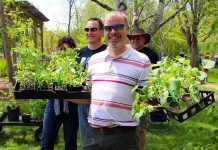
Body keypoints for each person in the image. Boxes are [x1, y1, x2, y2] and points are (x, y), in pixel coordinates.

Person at [83, 11, 151, 150]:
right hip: (92, 136)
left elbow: (146, 99)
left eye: (118, 27)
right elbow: (89, 95)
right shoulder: (95, 60)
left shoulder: (142, 61)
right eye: (108, 28)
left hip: (123, 137)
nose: (113, 32)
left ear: (127, 29)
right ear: (104, 31)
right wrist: (59, 95)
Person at [40, 36, 78, 150]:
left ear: (72, 49)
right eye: (61, 49)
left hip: (72, 105)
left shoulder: (77, 63)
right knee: (47, 140)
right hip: (53, 104)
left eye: (66, 49)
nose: (63, 52)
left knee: (70, 140)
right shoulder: (54, 63)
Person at [76, 18, 107, 148]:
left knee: (105, 140)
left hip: (104, 102)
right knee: (87, 141)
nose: (89, 32)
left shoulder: (108, 51)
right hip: (84, 103)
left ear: (102, 32)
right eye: (87, 29)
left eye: (93, 29)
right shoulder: (79, 53)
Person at [128, 27, 159, 150]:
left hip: (144, 96)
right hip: (129, 95)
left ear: (144, 39)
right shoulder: (127, 53)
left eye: (138, 37)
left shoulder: (152, 54)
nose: (135, 40)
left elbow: (156, 76)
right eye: (133, 38)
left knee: (142, 127)